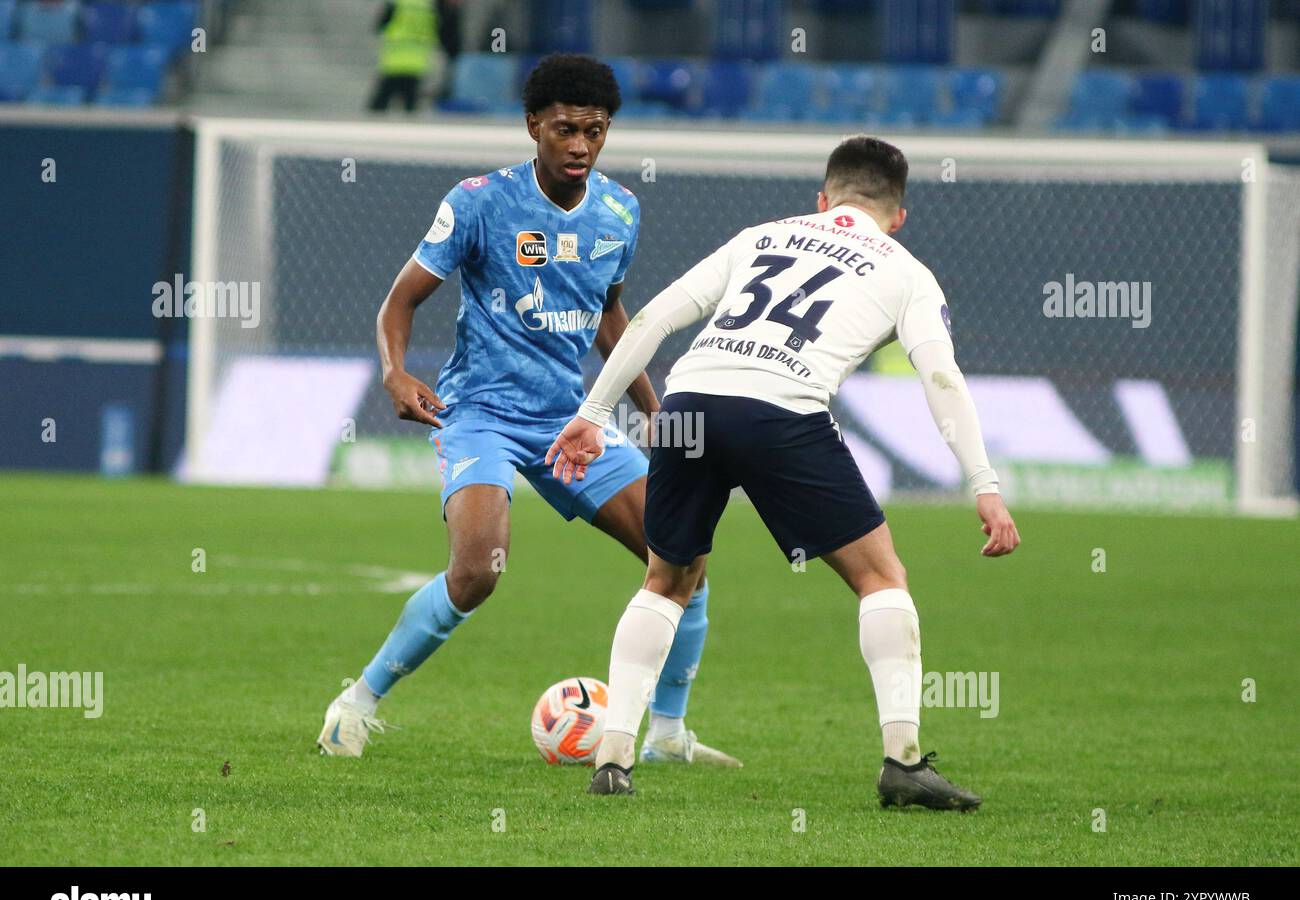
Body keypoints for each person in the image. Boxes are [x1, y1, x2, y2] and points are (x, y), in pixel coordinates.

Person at [547, 135, 1021, 809]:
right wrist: (984, 484)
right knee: (880, 576)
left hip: (691, 402)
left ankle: (614, 756)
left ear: (822, 201)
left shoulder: (761, 235)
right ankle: (903, 763)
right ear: (898, 215)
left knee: (666, 580)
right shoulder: (907, 270)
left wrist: (593, 413)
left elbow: (652, 318)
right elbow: (940, 376)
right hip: (781, 413)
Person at [319, 54, 738, 768]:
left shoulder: (619, 211)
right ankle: (354, 706)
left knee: (684, 555)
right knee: (479, 571)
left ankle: (667, 734)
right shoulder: (480, 202)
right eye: (566, 129)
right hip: (480, 412)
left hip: (573, 421)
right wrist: (394, 373)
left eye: (596, 132)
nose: (581, 145)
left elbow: (611, 318)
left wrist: (653, 408)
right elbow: (401, 301)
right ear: (533, 126)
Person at [368, 0, 437, 114]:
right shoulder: (428, 5)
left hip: (395, 61)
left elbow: (380, 27)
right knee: (410, 106)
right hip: (418, 61)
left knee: (378, 106)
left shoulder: (397, 3)